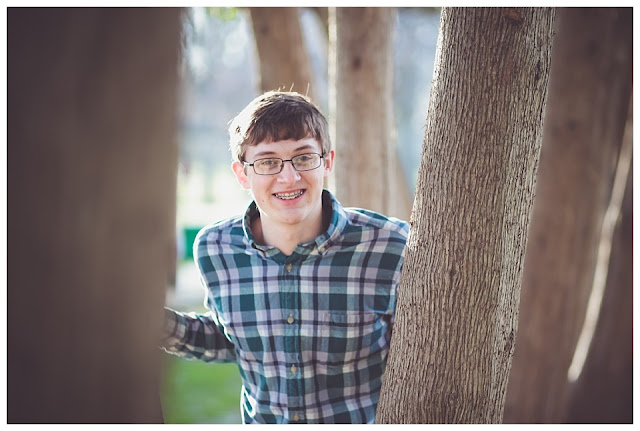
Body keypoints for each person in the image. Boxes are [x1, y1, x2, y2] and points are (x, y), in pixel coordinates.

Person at [162, 91, 409, 424]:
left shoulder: (389, 246)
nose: (288, 177)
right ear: (242, 174)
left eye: (304, 157)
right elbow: (233, 339)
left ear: (327, 162)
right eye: (267, 162)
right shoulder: (216, 249)